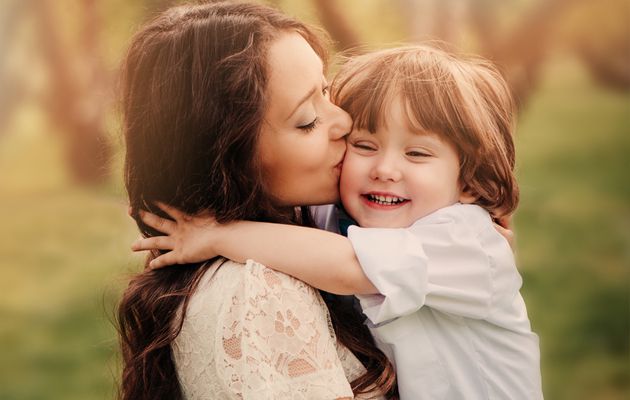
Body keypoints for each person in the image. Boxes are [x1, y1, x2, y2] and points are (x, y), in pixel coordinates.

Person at [134, 45, 542, 399]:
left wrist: (219, 234)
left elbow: (349, 266)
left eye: (417, 154)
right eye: (364, 146)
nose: (384, 169)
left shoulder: (467, 240)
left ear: (470, 182)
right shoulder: (343, 218)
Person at [117, 2, 398, 399]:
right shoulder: (261, 292)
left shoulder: (287, 249)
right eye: (307, 121)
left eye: (326, 89)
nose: (345, 123)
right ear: (228, 158)